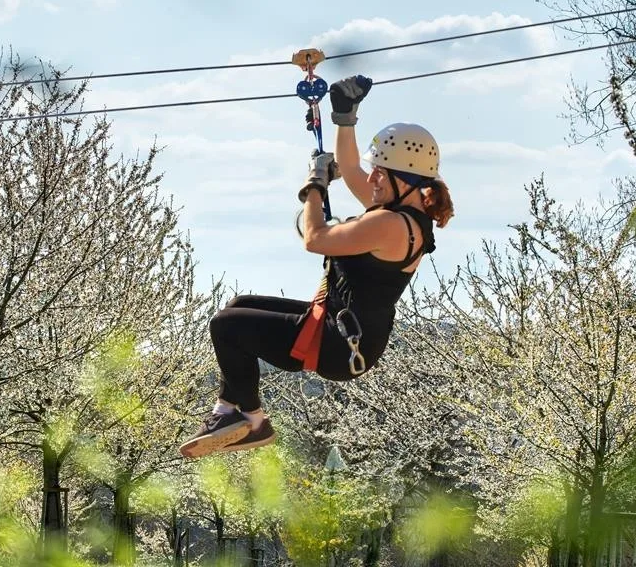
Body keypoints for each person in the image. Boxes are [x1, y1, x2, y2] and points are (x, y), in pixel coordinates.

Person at [179, 75, 454, 459]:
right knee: (237, 306)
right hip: (342, 330)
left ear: (402, 180)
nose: (371, 177)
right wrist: (345, 117)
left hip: (338, 345)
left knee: (226, 325)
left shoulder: (389, 224)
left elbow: (315, 238)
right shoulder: (406, 213)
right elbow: (352, 170)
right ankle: (225, 411)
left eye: (380, 172)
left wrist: (314, 186)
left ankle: (254, 423)